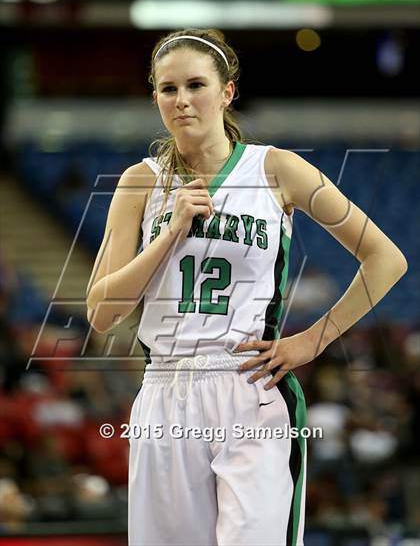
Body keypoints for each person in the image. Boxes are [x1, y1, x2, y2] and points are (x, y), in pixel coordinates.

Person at [86, 28, 408, 546]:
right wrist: (169, 235)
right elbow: (101, 312)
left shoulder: (276, 168)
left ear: (227, 91)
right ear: (155, 98)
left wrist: (314, 340)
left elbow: (386, 259)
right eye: (168, 89)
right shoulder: (139, 182)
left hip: (249, 386)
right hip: (164, 391)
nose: (182, 100)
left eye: (196, 84)